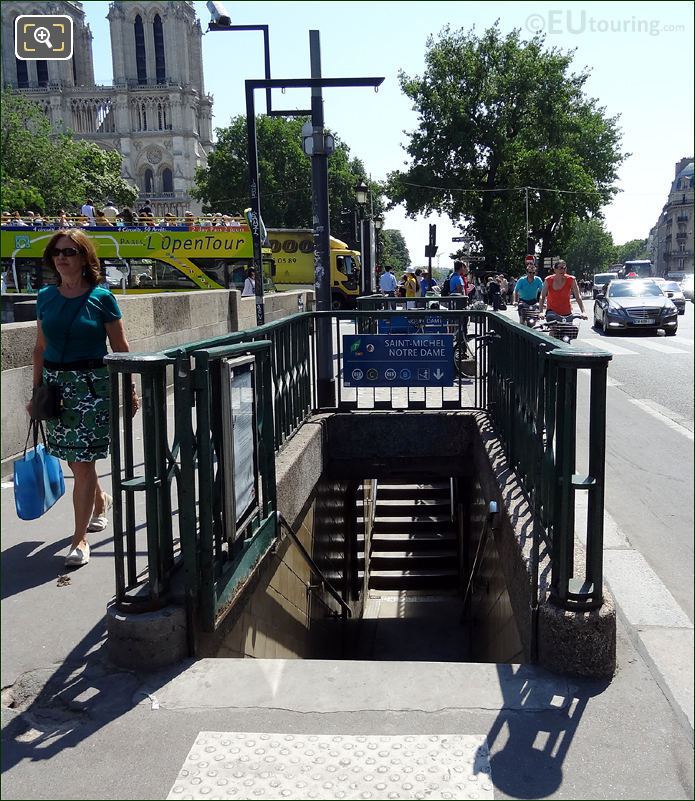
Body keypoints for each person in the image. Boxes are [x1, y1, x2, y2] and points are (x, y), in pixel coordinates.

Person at [27, 229, 139, 568]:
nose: (62, 257)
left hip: (91, 389)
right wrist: (35, 393)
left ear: (84, 258)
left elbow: (121, 349)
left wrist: (130, 390)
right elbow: (39, 349)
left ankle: (79, 540)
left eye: (70, 252)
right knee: (74, 463)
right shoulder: (46, 296)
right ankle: (100, 500)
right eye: (57, 252)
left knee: (83, 463)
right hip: (56, 388)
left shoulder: (102, 298)